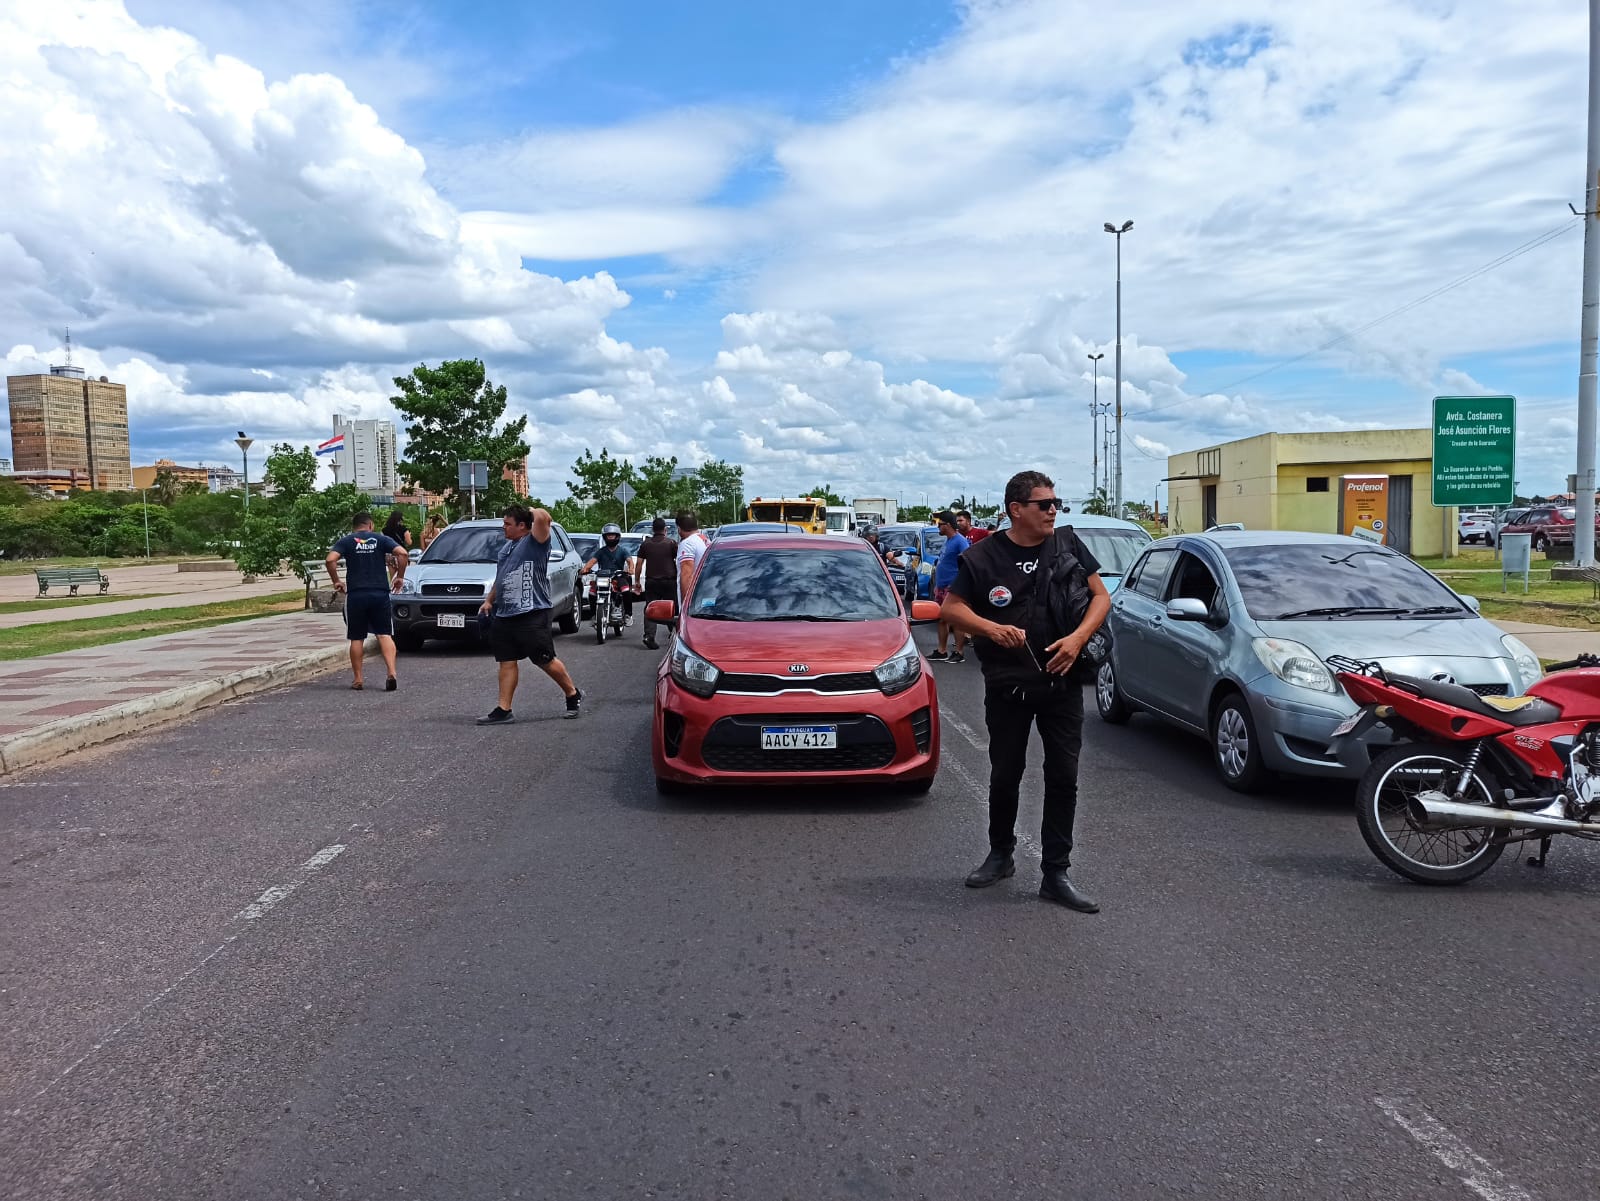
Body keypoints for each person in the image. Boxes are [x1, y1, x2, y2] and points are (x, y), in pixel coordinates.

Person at [940, 470, 1112, 913]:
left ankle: (1056, 873)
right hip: (1008, 687)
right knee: (1005, 773)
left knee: (1063, 778)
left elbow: (1101, 598)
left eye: (1057, 503)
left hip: (1062, 682)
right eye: (1044, 504)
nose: (1054, 510)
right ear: (1016, 509)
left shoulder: (1068, 545)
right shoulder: (983, 557)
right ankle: (1001, 855)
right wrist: (992, 629)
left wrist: (1077, 641)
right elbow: (952, 608)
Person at [475, 504, 583, 725]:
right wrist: (488, 601)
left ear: (522, 525)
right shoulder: (507, 549)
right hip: (505, 614)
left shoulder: (536, 542)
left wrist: (529, 509)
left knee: (544, 660)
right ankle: (504, 709)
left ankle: (572, 694)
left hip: (532, 611)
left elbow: (545, 517)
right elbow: (502, 577)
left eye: (507, 524)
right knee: (506, 661)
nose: (503, 528)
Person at [325, 512, 405, 691]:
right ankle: (391, 672)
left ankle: (358, 679)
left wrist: (336, 581)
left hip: (356, 595)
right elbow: (403, 553)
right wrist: (400, 576)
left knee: (356, 637)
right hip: (380, 593)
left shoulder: (346, 541)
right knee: (384, 634)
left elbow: (330, 559)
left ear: (355, 526)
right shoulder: (380, 539)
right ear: (371, 525)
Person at [926, 510, 970, 663]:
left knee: (957, 620)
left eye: (940, 524)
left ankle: (958, 652)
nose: (938, 527)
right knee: (941, 619)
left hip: (953, 587)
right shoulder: (948, 540)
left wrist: (960, 584)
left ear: (948, 525)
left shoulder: (960, 541)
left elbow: (967, 563)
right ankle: (941, 650)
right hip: (942, 586)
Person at [635, 516, 679, 650]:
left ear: (653, 530)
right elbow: (679, 560)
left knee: (650, 608)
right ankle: (675, 633)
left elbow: (639, 564)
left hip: (652, 581)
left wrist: (637, 581)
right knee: (672, 607)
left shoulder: (646, 544)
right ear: (665, 529)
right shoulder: (671, 543)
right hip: (669, 580)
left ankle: (649, 636)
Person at [582, 523, 638, 626]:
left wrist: (631, 569)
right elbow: (592, 561)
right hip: (603, 577)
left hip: (618, 576)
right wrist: (585, 568)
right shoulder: (601, 551)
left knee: (626, 591)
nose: (611, 537)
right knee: (592, 592)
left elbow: (629, 561)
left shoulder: (622, 550)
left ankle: (628, 615)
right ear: (605, 537)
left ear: (617, 537)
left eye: (613, 535)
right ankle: (594, 615)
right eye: (608, 535)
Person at [675, 509, 709, 609]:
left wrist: (686, 608)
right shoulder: (705, 540)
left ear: (679, 528)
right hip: (706, 596)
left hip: (694, 604)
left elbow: (687, 575)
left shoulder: (688, 544)